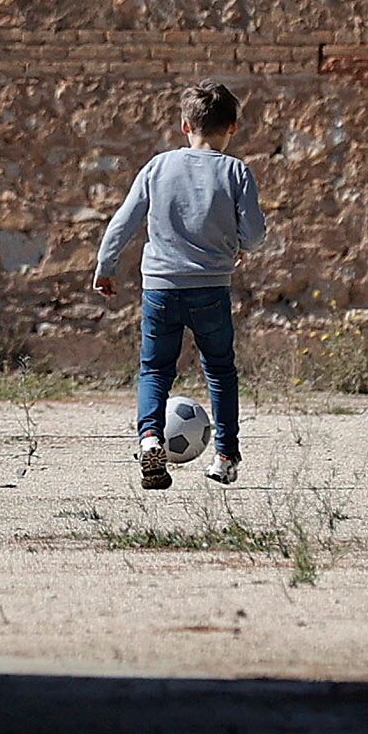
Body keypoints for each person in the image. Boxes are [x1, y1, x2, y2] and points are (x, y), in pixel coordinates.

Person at [95, 80, 267, 490]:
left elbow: (125, 220)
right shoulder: (236, 171)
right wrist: (240, 244)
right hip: (211, 287)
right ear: (234, 128)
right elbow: (256, 234)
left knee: (154, 368)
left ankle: (151, 437)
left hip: (161, 287)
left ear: (184, 124)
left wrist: (106, 264)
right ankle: (225, 457)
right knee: (221, 371)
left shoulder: (158, 166)